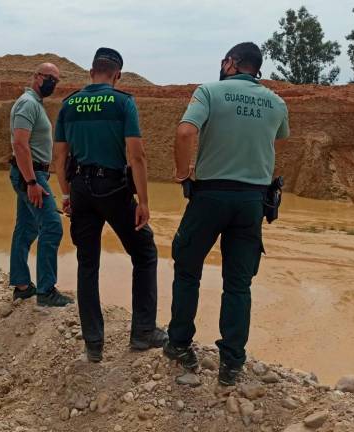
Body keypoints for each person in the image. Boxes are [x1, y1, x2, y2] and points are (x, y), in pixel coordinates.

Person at [164, 42, 290, 386]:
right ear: (257, 68)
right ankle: (232, 363)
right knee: (238, 283)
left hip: (210, 196)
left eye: (224, 61)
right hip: (251, 201)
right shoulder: (277, 102)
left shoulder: (209, 91)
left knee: (187, 269)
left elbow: (186, 131)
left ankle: (178, 344)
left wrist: (181, 173)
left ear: (232, 63)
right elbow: (275, 141)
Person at [54, 48, 167, 362]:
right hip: (113, 189)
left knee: (87, 263)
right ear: (117, 75)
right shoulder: (123, 102)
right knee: (144, 252)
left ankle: (93, 344)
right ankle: (143, 333)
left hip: (80, 189)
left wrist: (66, 196)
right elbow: (137, 155)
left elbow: (60, 158)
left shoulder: (68, 105)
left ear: (91, 72)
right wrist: (143, 201)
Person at [7, 62, 73, 307]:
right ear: (36, 76)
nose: (53, 83)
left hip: (31, 174)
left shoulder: (34, 104)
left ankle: (22, 286)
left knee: (25, 228)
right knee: (52, 227)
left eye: (56, 80)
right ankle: (46, 291)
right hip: (31, 175)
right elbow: (20, 145)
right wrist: (32, 181)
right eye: (49, 78)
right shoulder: (27, 104)